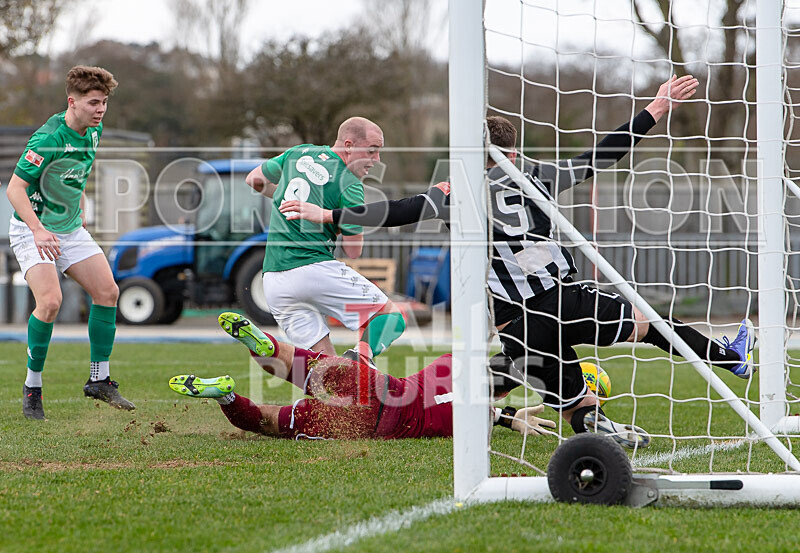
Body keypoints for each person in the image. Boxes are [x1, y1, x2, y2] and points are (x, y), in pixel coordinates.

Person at [278, 75, 755, 447]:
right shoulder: (538, 176)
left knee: (567, 397)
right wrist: (654, 109)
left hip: (512, 320)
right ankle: (730, 357)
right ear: (511, 151)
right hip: (560, 298)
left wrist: (327, 213)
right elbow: (603, 153)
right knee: (648, 326)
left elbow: (397, 211)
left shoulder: (454, 191)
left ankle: (589, 426)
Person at [169, 312, 562, 441]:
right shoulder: (467, 415)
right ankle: (227, 392)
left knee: (300, 366)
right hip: (374, 418)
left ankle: (268, 346)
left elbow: (486, 391)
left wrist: (507, 413)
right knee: (272, 418)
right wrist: (510, 417)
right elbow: (484, 405)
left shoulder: (449, 365)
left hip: (381, 389)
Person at [6, 65, 135, 420]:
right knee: (50, 302)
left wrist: (78, 203)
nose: (100, 110)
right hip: (33, 229)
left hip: (69, 230)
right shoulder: (47, 138)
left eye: (104, 102)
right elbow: (15, 189)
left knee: (108, 292)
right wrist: (37, 230)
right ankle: (33, 388)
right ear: (72, 102)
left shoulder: (94, 132)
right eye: (94, 102)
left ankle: (100, 380)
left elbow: (74, 173)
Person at [244, 117, 406, 367]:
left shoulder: (298, 153)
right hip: (313, 269)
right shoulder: (350, 185)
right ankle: (359, 358)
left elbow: (254, 179)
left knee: (326, 369)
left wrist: (281, 199)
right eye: (372, 151)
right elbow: (353, 251)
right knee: (391, 317)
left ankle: (321, 392)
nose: (377, 160)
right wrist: (340, 223)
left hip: (274, 280)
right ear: (349, 145)